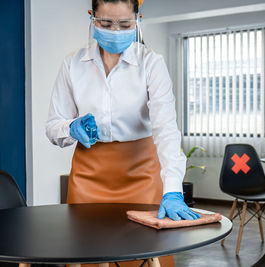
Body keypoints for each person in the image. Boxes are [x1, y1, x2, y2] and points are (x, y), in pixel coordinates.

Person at [46, 0, 199, 266]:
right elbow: (52, 125)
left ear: (138, 19)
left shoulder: (151, 63)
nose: (115, 31)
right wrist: (70, 128)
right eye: (106, 23)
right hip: (88, 177)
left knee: (146, 253)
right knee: (88, 255)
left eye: (125, 24)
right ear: (92, 18)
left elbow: (166, 130)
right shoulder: (73, 64)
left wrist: (173, 189)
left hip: (141, 174)